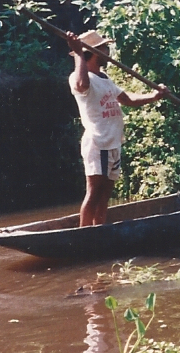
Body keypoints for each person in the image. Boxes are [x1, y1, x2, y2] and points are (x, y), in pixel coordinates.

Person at [65, 29, 168, 226]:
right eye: (104, 47)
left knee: (105, 195)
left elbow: (127, 99)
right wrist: (78, 53)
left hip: (113, 143)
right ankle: (85, 237)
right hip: (98, 143)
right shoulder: (80, 78)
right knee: (94, 193)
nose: (108, 50)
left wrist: (154, 96)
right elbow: (81, 84)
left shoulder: (104, 78)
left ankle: (100, 231)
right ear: (94, 51)